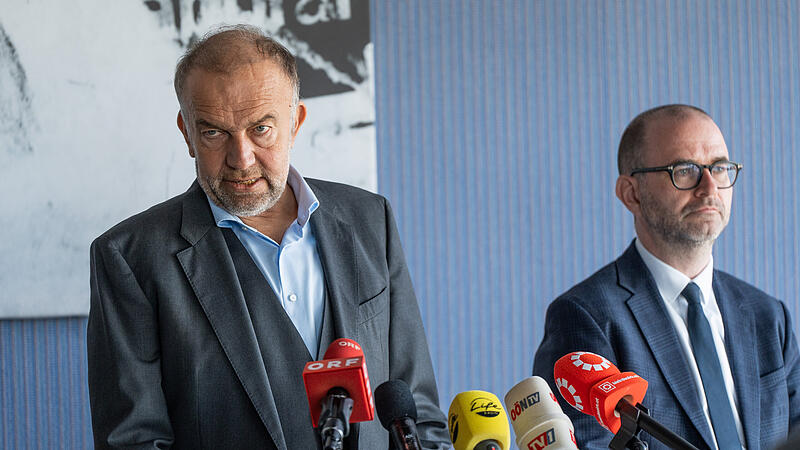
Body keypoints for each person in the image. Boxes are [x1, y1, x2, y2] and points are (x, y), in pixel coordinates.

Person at [87, 25, 449, 449]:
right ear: (187, 133)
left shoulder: (371, 219)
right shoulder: (129, 257)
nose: (241, 159)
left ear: (295, 122)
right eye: (213, 132)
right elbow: (134, 441)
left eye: (261, 129)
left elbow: (417, 414)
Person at [533, 104, 800, 449]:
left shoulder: (767, 315)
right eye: (684, 170)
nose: (709, 188)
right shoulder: (585, 317)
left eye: (719, 168)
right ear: (632, 194)